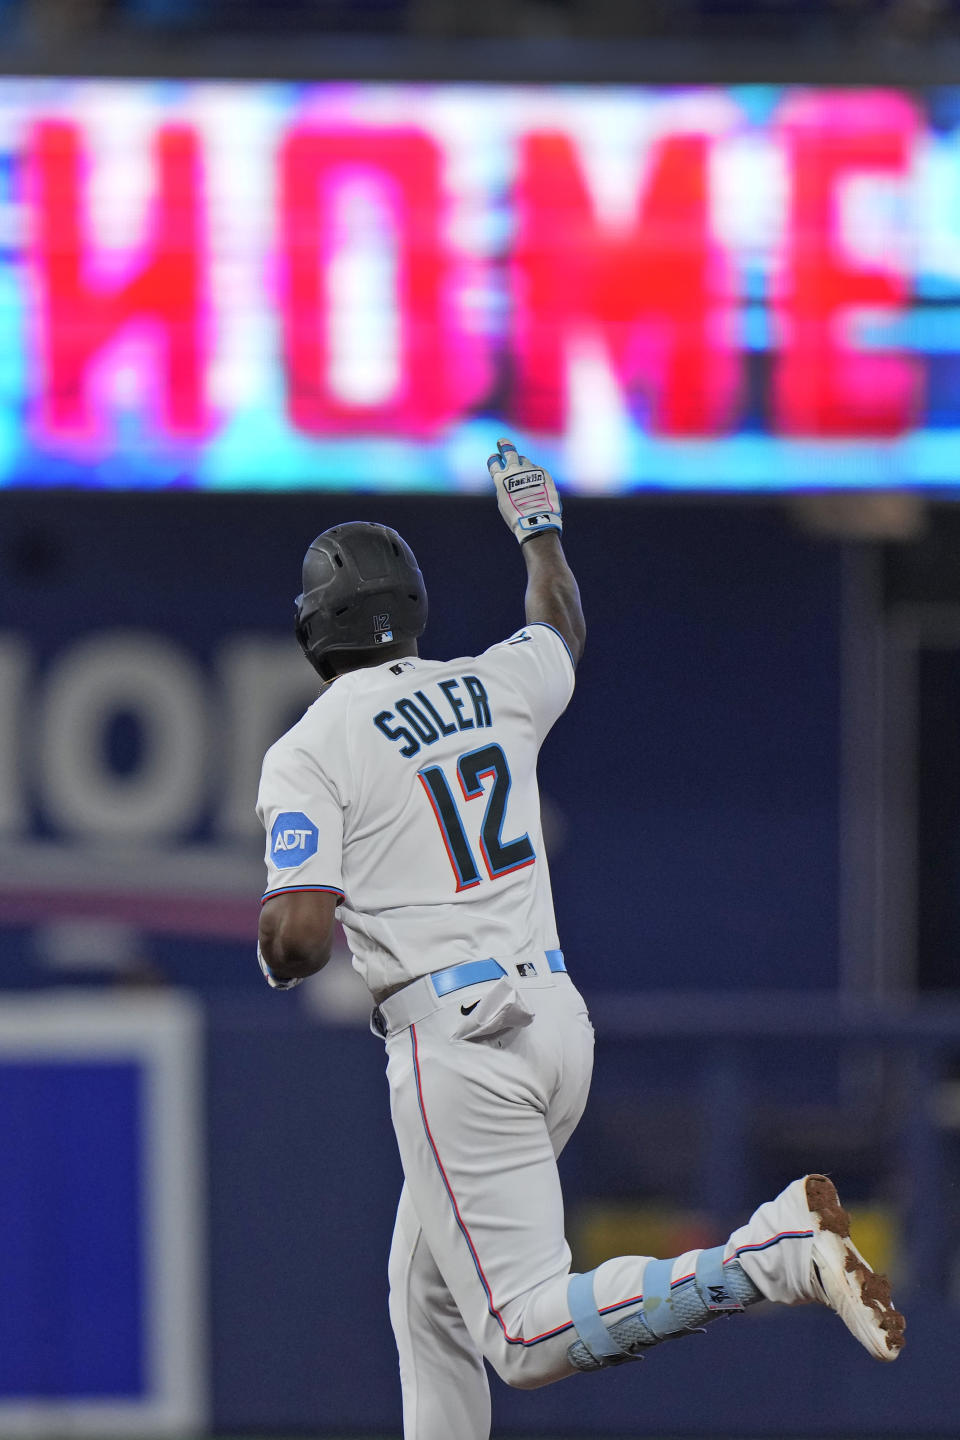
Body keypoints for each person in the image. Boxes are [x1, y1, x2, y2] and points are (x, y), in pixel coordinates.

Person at [255, 440, 904, 1440]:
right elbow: (558, 623)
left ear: (312, 630)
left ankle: (765, 1259)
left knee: (521, 1338)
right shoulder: (489, 683)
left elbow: (297, 939)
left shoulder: (310, 748)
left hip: (459, 1042)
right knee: (424, 1291)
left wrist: (278, 935)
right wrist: (539, 529)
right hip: (557, 1023)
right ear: (413, 612)